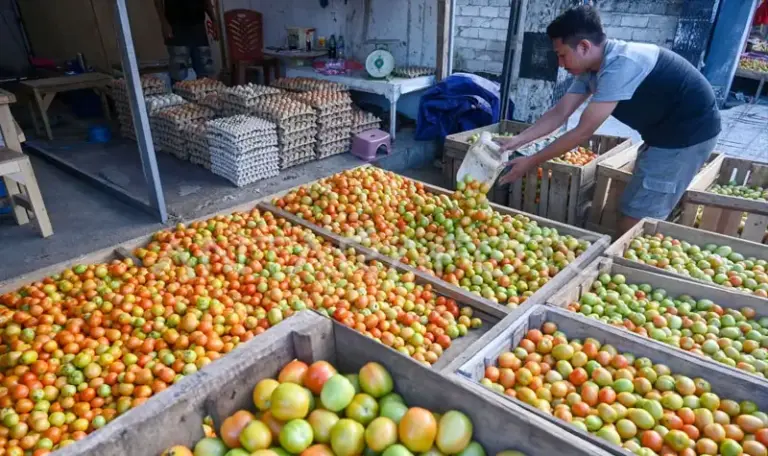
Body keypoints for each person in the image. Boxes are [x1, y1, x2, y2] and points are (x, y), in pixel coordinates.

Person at [496, 5, 721, 235]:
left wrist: (532, 161)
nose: (561, 64)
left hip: (685, 138)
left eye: (562, 55)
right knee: (634, 204)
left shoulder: (621, 65)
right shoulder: (592, 68)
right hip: (660, 132)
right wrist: (516, 141)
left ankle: (624, 262)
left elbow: (582, 132)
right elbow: (560, 112)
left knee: (640, 216)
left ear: (584, 46)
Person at [154, 0, 219, 82]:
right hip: (176, 25)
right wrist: (164, 23)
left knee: (206, 69)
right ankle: (177, 94)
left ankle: (207, 94)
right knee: (179, 70)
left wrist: (214, 20)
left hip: (198, 25)